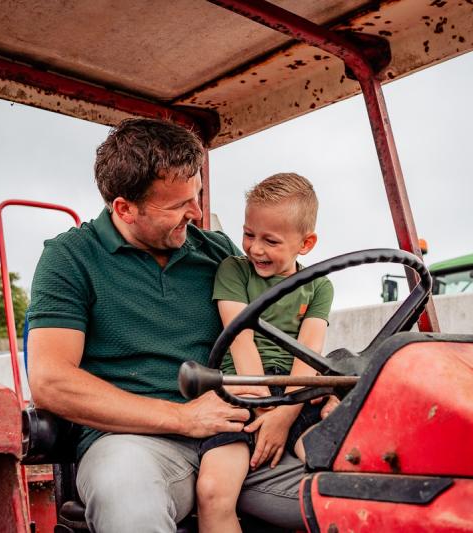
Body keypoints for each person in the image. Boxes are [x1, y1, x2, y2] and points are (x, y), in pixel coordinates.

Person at [26, 118, 307, 532]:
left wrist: (312, 394)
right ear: (124, 207)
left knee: (367, 485)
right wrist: (183, 418)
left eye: (197, 196)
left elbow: (278, 334)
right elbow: (50, 381)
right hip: (134, 443)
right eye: (178, 205)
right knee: (126, 497)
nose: (196, 213)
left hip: (237, 433)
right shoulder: (70, 258)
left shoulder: (218, 253)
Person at [195, 173, 336, 533]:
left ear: (306, 244)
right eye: (249, 234)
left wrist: (285, 414)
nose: (255, 248)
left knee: (336, 464)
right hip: (241, 390)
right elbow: (239, 338)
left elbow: (307, 353)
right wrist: (263, 407)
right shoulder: (234, 270)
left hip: (297, 391)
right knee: (213, 492)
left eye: (270, 240)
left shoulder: (318, 286)